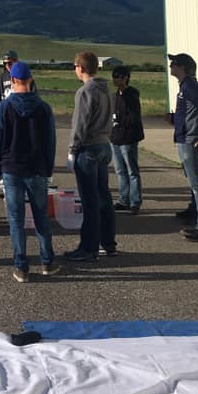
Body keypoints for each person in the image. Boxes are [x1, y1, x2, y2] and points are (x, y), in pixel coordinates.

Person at [0, 61, 59, 282]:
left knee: (16, 219)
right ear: (31, 80)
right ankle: (47, 261)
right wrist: (48, 167)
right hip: (37, 168)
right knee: (41, 217)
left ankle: (21, 266)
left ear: (12, 81)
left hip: (12, 167)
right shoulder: (43, 108)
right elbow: (50, 141)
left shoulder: (4, 107)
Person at [63, 51, 116, 262]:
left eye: (75, 66)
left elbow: (80, 124)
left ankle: (89, 247)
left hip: (89, 148)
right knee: (104, 196)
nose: (75, 70)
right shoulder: (106, 90)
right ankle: (108, 242)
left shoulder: (85, 91)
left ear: (81, 68)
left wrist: (72, 149)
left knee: (90, 200)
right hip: (104, 144)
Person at [168, 53, 198, 242]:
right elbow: (188, 114)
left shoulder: (190, 87)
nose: (171, 66)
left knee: (197, 184)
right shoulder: (185, 87)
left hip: (191, 140)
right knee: (194, 178)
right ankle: (194, 211)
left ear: (183, 67)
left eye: (174, 63)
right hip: (185, 138)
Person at [110, 65, 145, 214]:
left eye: (119, 77)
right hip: (115, 137)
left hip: (128, 138)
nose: (116, 80)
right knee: (120, 170)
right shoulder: (115, 95)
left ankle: (135, 201)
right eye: (114, 77)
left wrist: (121, 122)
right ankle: (123, 200)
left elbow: (133, 116)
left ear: (126, 78)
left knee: (132, 171)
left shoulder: (131, 95)